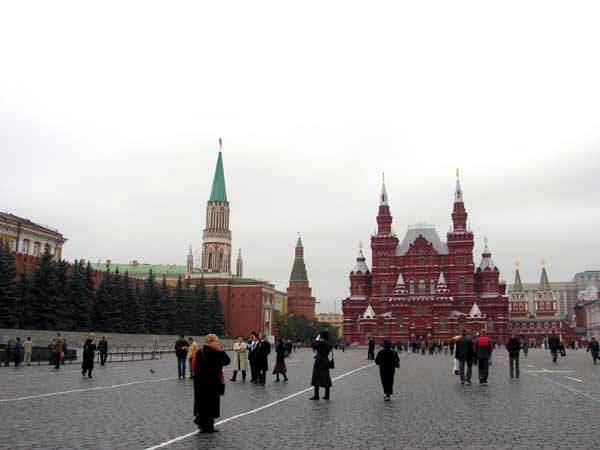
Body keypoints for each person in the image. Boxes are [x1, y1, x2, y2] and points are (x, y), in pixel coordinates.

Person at [192, 334, 230, 433]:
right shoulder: (216, 352)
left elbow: (194, 366)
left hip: (199, 382)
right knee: (211, 404)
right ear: (212, 342)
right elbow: (227, 361)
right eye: (216, 342)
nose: (217, 343)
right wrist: (221, 350)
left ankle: (201, 423)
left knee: (201, 403)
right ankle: (209, 427)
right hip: (212, 382)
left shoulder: (199, 351)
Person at [310, 331, 332, 400]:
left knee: (316, 377)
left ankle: (316, 396)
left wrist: (317, 339)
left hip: (319, 361)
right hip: (326, 360)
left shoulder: (321, 343)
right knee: (326, 377)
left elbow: (313, 344)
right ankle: (327, 395)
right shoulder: (328, 343)